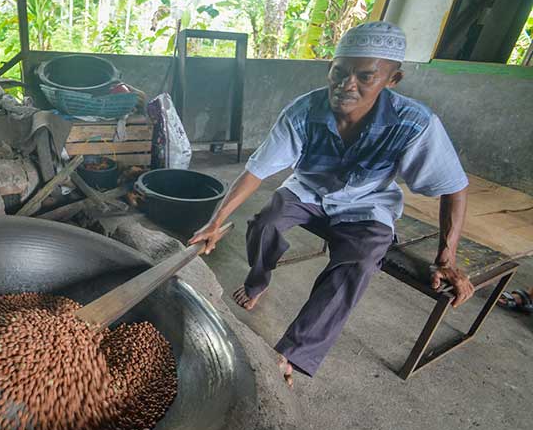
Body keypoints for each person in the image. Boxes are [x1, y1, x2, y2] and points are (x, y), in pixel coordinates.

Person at [189, 22, 475, 387]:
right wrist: (216, 221)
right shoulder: (304, 111)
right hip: (308, 190)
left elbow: (454, 187)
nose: (346, 85)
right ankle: (258, 279)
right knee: (266, 221)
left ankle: (292, 352)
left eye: (364, 76)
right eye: (338, 72)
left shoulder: (414, 123)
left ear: (393, 79)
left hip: (366, 203)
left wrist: (446, 259)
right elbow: (256, 170)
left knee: (359, 261)